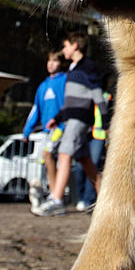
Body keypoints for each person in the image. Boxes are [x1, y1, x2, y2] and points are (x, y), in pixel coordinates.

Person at [33, 32, 106, 216]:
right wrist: (57, 118)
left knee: (65, 154)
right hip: (71, 117)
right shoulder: (72, 70)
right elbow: (69, 102)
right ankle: (107, 198)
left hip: (79, 119)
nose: (63, 50)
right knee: (85, 161)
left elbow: (98, 93)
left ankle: (56, 200)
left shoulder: (88, 67)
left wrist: (104, 119)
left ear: (75, 46)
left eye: (65, 46)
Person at [22, 50, 68, 212]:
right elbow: (36, 109)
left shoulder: (65, 81)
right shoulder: (43, 86)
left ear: (61, 63)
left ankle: (57, 198)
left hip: (61, 128)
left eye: (55, 61)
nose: (51, 64)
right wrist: (27, 130)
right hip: (47, 132)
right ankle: (52, 194)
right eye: (49, 61)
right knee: (45, 159)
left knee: (48, 155)